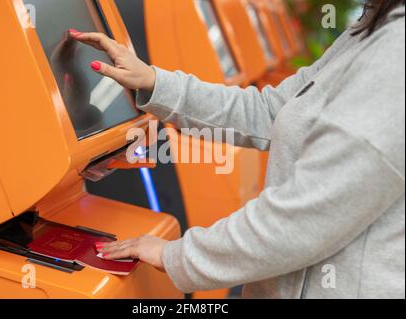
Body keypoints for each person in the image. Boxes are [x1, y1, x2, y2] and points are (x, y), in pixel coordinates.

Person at [70, 1, 405, 298]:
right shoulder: (373, 28)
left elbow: (304, 219)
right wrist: (155, 82)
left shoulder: (395, 53)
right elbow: (271, 109)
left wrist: (176, 255)